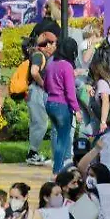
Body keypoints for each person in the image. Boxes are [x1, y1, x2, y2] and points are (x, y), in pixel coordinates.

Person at [44, 38, 80, 173]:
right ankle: (57, 171)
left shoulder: (51, 64)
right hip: (62, 105)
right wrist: (77, 110)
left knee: (58, 135)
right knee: (63, 140)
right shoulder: (67, 66)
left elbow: (46, 85)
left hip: (50, 104)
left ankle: (59, 167)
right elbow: (70, 93)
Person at [26, 31, 56, 167]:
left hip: (36, 91)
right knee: (40, 123)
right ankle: (32, 154)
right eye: (53, 43)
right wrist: (44, 85)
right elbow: (34, 71)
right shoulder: (39, 55)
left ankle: (33, 152)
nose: (54, 46)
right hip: (37, 91)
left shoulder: (40, 54)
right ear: (47, 44)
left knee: (38, 122)